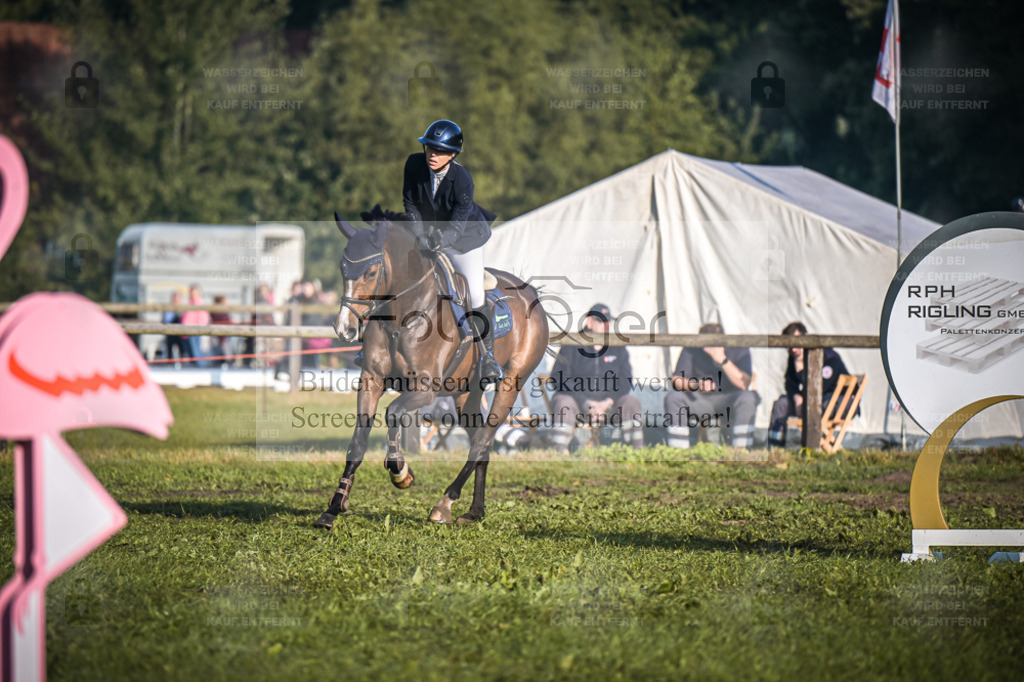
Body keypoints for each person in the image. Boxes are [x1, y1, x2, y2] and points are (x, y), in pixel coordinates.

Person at [402, 119, 502, 386]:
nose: (433, 155)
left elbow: (458, 224)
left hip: (464, 239)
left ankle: (488, 357)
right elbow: (410, 203)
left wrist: (439, 241)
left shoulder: (462, 180)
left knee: (475, 293)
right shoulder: (414, 164)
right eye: (430, 149)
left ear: (453, 154)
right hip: (429, 236)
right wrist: (421, 234)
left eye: (440, 151)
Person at [547, 304, 643, 453]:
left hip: (609, 405)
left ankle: (637, 453)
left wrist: (608, 401)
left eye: (607, 321)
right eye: (600, 321)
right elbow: (559, 378)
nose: (605, 325)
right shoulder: (572, 343)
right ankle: (558, 453)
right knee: (563, 402)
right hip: (578, 405)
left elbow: (626, 379)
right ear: (589, 322)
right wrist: (585, 402)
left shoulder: (617, 345)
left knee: (631, 402)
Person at [664, 322, 758, 449]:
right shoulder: (692, 348)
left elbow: (743, 383)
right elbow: (676, 380)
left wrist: (722, 359)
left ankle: (741, 451)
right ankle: (678, 451)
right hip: (700, 400)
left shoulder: (738, 347)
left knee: (748, 397)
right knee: (673, 397)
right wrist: (696, 385)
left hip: (729, 400)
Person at [767, 321, 854, 447]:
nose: (793, 348)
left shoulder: (828, 357)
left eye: (796, 343)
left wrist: (800, 370)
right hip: (811, 402)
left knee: (815, 404)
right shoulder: (795, 357)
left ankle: (812, 448)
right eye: (789, 345)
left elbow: (820, 387)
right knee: (781, 404)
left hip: (839, 402)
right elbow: (790, 383)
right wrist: (797, 398)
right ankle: (775, 450)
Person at [181, 285, 211, 367]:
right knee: (190, 352)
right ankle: (195, 366)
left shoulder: (199, 303)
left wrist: (199, 329)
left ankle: (200, 367)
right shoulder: (190, 302)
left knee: (196, 352)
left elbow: (203, 318)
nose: (192, 294)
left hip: (194, 331)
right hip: (187, 331)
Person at [162, 291, 186, 365]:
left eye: (177, 298)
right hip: (170, 332)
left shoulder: (183, 308)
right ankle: (169, 364)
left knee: (182, 349)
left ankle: (182, 364)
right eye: (175, 298)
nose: (176, 299)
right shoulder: (168, 308)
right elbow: (165, 319)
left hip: (180, 332)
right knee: (169, 348)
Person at [209, 294, 233, 367]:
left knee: (222, 349)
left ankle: (224, 362)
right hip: (220, 334)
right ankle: (224, 362)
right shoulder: (219, 311)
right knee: (222, 350)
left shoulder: (217, 310)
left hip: (221, 334)